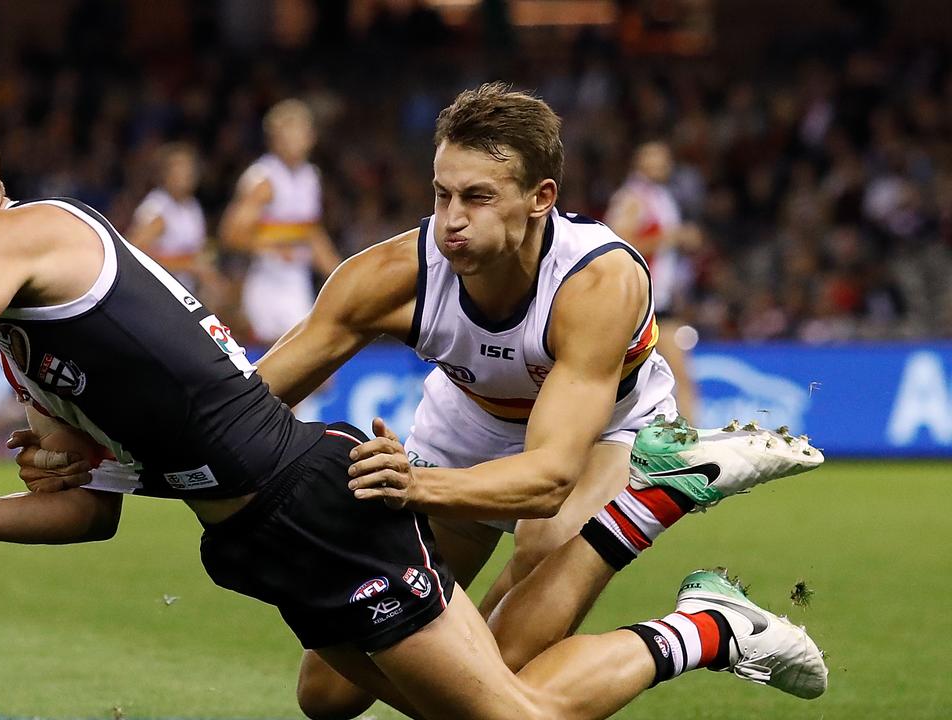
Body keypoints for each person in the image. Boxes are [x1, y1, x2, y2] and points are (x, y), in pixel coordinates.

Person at [0, 85, 826, 719]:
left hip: (342, 497)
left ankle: (701, 613)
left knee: (510, 714)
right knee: (327, 699)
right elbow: (98, 504)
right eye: (436, 194)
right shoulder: (29, 349)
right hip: (273, 523)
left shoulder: (27, 236)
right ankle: (666, 563)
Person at [242, 84, 821, 718]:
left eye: (478, 197)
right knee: (328, 696)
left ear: (541, 198)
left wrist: (413, 488)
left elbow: (547, 480)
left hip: (604, 432)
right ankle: (710, 625)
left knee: (504, 659)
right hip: (462, 426)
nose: (451, 219)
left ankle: (692, 584)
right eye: (442, 194)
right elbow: (242, 407)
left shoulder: (598, 280)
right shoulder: (387, 277)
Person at [220, 99, 341, 345]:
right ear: (273, 139)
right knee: (289, 360)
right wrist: (271, 248)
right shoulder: (263, 179)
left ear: (311, 137)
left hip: (297, 279)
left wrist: (341, 273)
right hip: (267, 281)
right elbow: (230, 233)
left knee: (316, 368)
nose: (293, 140)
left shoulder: (310, 177)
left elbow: (312, 234)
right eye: (286, 134)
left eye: (298, 133)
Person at [606, 140, 701, 420]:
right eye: (653, 160)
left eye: (663, 160)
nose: (661, 166)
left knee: (678, 376)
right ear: (640, 163)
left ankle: (690, 440)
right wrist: (672, 237)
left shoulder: (661, 197)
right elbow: (618, 240)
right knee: (674, 375)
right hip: (639, 300)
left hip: (662, 300)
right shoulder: (632, 198)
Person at [125, 142, 226, 309]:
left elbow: (197, 254)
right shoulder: (158, 210)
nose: (186, 174)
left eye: (189, 168)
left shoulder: (192, 206)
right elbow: (133, 255)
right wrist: (188, 266)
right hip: (155, 297)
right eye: (178, 168)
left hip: (184, 295)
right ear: (164, 173)